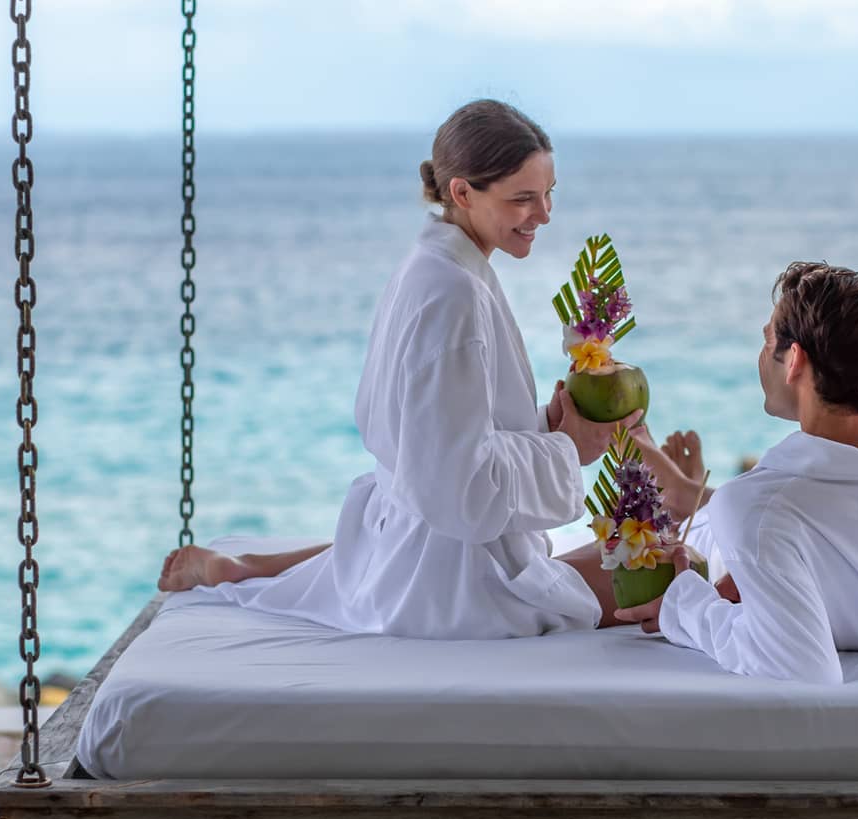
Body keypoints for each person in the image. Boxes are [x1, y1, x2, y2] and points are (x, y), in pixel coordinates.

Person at [159, 100, 639, 638]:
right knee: (675, 564)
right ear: (462, 192)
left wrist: (541, 426)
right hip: (454, 584)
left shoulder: (434, 266)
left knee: (630, 553)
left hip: (409, 536)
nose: (545, 213)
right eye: (523, 198)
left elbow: (436, 438)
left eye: (550, 193)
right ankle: (255, 571)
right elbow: (460, 491)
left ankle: (254, 568)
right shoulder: (453, 294)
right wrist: (568, 448)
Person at [615, 262, 858, 684]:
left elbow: (800, 667)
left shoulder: (758, 509)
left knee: (730, 521)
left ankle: (687, 497)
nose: (762, 354)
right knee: (762, 509)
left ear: (794, 360)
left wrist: (685, 605)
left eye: (768, 341)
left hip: (764, 528)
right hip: (791, 526)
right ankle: (690, 494)